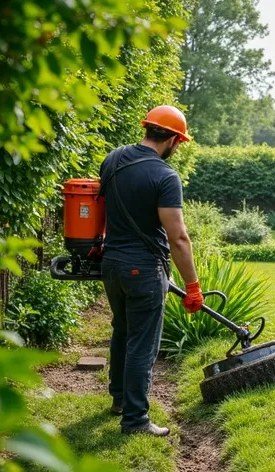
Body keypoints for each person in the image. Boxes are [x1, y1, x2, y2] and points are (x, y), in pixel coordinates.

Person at [99, 105, 204, 436]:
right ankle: (135, 420)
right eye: (179, 143)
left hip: (111, 264)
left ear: (148, 128)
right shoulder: (165, 176)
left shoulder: (113, 159)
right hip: (144, 269)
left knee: (122, 330)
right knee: (142, 344)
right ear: (173, 139)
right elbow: (178, 237)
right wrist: (193, 285)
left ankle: (119, 399)